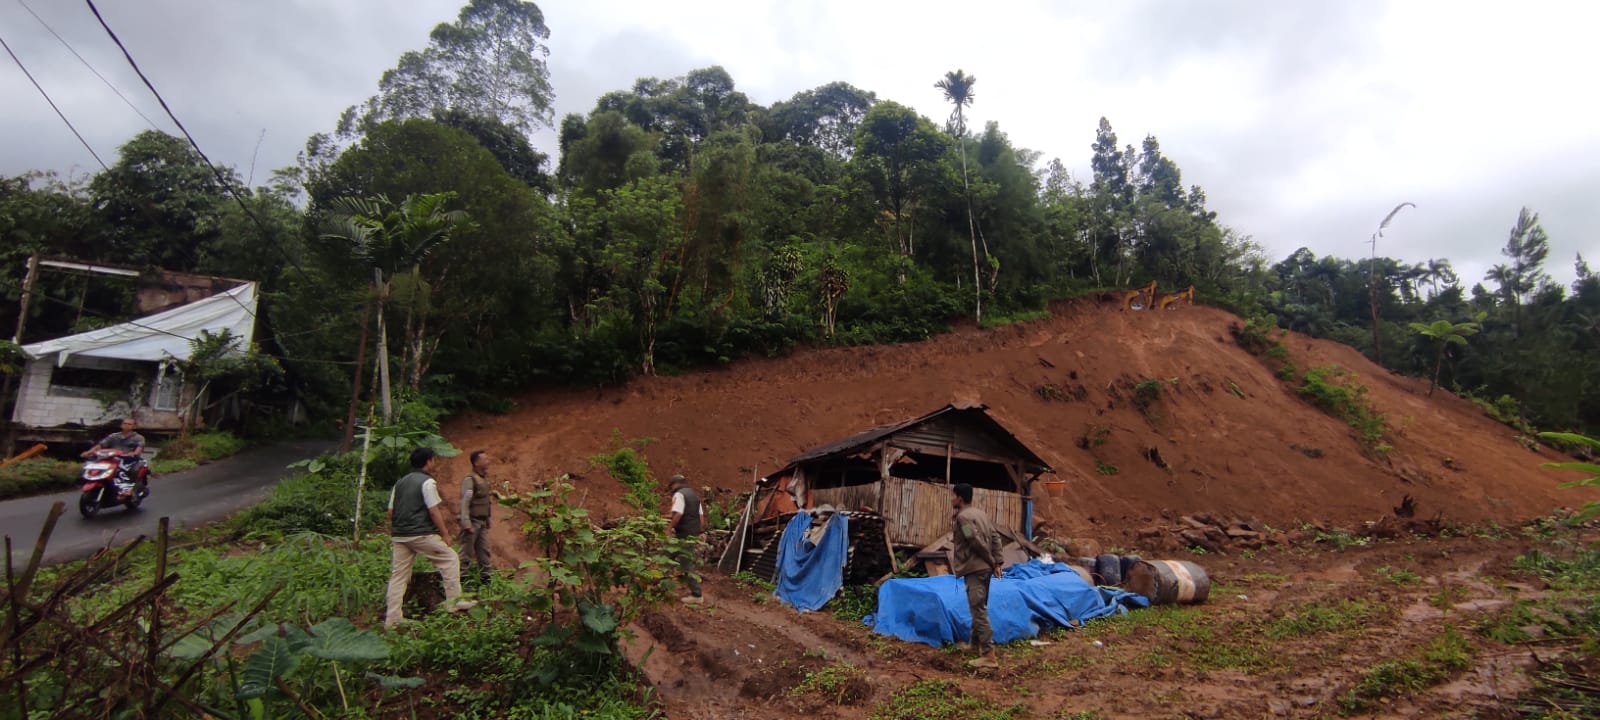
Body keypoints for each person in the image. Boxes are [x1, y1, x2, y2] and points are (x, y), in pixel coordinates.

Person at [385, 447, 477, 628]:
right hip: (420, 533)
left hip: (399, 535)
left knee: (398, 576)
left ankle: (393, 618)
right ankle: (454, 602)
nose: (434, 463)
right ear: (428, 461)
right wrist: (444, 534)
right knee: (450, 558)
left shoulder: (400, 483)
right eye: (433, 460)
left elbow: (390, 511)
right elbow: (434, 511)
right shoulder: (427, 482)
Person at [950, 482, 1003, 668]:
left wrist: (990, 560)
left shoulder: (963, 518)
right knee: (977, 606)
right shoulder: (982, 514)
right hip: (985, 569)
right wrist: (997, 562)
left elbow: (973, 539)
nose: (952, 499)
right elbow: (995, 537)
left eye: (953, 495)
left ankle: (989, 655)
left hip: (975, 568)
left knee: (978, 609)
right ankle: (974, 646)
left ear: (960, 498)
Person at [666, 474, 707, 605]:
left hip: (683, 534)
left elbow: (678, 513)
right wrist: (699, 532)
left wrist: (669, 528)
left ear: (676, 484)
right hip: (691, 535)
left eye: (671, 486)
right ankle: (658, 583)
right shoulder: (695, 497)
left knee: (685, 563)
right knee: (667, 555)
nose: (671, 488)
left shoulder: (679, 495)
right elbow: (701, 518)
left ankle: (697, 595)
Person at [83, 418, 147, 497]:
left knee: (132, 471)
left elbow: (139, 448)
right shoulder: (113, 436)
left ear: (134, 426)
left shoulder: (138, 438)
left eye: (129, 424)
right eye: (125, 423)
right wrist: (89, 452)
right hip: (112, 459)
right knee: (93, 466)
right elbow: (101, 445)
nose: (126, 425)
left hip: (129, 460)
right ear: (121, 425)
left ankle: (129, 490)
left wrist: (134, 453)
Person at [457, 450, 494, 585]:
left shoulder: (483, 479)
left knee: (484, 553)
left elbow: (486, 500)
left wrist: (488, 517)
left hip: (482, 522)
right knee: (465, 553)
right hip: (472, 522)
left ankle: (486, 582)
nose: (488, 461)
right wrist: (466, 522)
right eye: (485, 459)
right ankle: (462, 582)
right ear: (476, 463)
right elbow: (465, 502)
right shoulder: (470, 479)